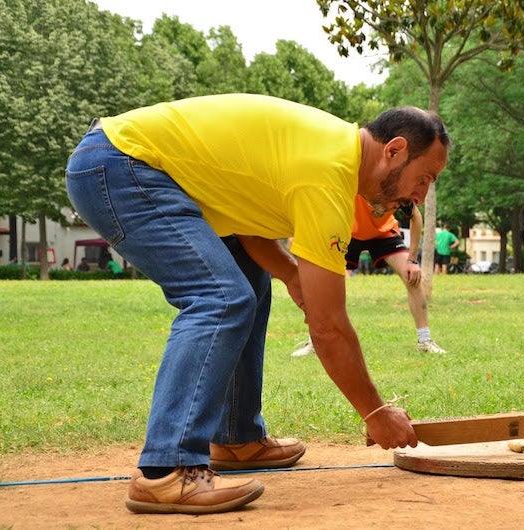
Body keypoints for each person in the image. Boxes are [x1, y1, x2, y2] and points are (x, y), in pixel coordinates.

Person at [65, 94, 448, 515]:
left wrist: (288, 273)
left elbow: (248, 224)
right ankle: (167, 470)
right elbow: (328, 327)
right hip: (122, 166)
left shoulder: (330, 151)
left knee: (247, 279)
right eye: (425, 177)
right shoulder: (328, 175)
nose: (420, 194)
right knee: (220, 297)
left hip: (127, 162)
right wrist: (375, 412)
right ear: (394, 150)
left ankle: (236, 438)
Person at [292, 196, 447, 357]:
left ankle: (425, 341)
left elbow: (415, 215)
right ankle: (316, 341)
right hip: (346, 231)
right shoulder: (349, 179)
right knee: (324, 282)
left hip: (384, 233)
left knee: (412, 276)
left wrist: (412, 260)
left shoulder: (395, 186)